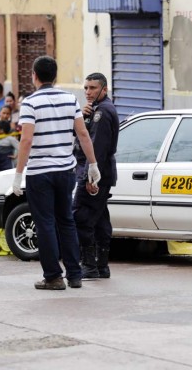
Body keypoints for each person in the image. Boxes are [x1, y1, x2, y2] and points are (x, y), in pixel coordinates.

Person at [13, 56, 100, 290]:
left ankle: (53, 276)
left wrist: (18, 174)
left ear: (34, 75)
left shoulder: (30, 103)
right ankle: (74, 274)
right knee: (66, 222)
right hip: (65, 171)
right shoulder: (70, 99)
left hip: (40, 172)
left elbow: (26, 139)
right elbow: (83, 134)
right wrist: (93, 164)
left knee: (45, 224)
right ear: (55, 76)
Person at [72, 72, 119, 278]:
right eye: (86, 88)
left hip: (94, 173)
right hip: (98, 171)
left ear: (104, 89)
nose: (88, 92)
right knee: (99, 219)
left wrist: (92, 178)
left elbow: (97, 147)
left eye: (92, 88)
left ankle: (89, 266)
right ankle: (101, 266)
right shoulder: (96, 111)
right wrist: (83, 117)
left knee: (81, 217)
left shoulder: (103, 113)